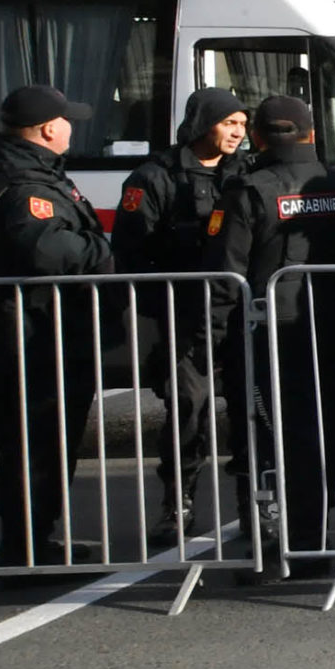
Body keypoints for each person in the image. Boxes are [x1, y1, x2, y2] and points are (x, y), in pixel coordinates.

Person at [215, 95, 335, 561]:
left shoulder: (249, 191)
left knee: (275, 435)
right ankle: (315, 526)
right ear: (310, 133)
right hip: (328, 329)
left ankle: (292, 541)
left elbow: (226, 274)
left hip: (269, 334)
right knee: (322, 428)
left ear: (259, 137)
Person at [112, 86, 250, 550]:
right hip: (183, 315)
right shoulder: (155, 176)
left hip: (237, 314)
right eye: (229, 122)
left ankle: (258, 507)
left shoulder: (246, 173)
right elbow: (131, 250)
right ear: (203, 123)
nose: (238, 132)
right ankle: (178, 503)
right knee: (188, 411)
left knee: (254, 410)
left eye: (243, 124)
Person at [0, 85, 113, 568]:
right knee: (37, 443)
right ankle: (26, 548)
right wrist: (102, 252)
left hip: (45, 330)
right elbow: (47, 252)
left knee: (44, 441)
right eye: (67, 121)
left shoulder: (37, 172)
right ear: (48, 129)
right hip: (34, 334)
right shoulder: (23, 183)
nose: (71, 128)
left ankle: (34, 540)